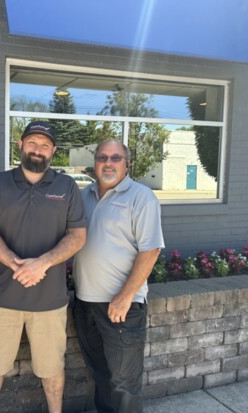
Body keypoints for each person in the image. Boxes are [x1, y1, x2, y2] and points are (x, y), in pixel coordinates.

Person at [0, 121, 87, 413]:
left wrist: (43, 263)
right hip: (2, 298)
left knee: (52, 370)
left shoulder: (66, 186)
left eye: (45, 145)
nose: (38, 150)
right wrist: (19, 265)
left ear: (54, 151)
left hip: (49, 301)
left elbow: (78, 236)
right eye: (32, 143)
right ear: (20, 145)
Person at [73, 140, 165, 412]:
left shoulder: (141, 197)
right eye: (102, 157)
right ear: (95, 164)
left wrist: (125, 298)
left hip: (121, 308)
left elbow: (151, 250)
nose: (108, 163)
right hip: (84, 304)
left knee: (124, 384)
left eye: (116, 158)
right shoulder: (84, 195)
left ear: (127, 164)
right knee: (100, 376)